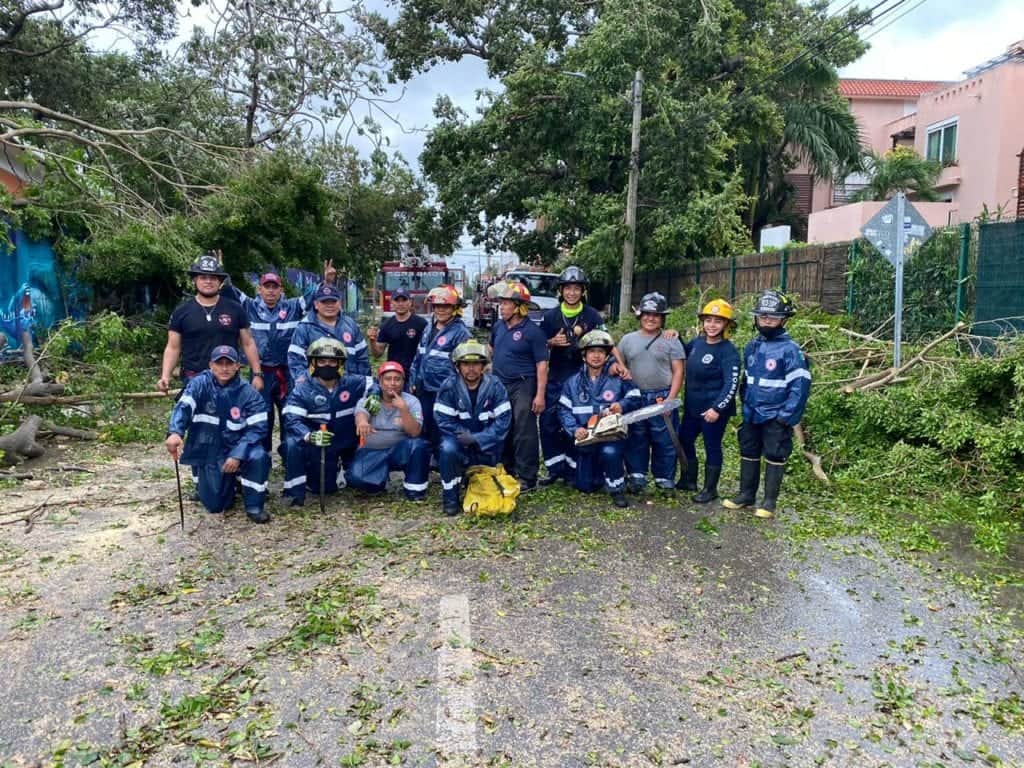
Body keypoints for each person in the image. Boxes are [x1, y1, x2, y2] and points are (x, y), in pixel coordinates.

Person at [223, 261, 337, 457]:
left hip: (287, 372)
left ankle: (289, 451)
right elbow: (231, 292)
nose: (270, 292)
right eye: (266, 287)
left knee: (290, 411)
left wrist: (325, 281)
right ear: (259, 289)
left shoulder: (292, 307)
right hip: (261, 372)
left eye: (274, 287)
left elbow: (311, 299)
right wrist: (222, 276)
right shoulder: (250, 307)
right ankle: (262, 453)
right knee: (261, 412)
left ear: (281, 290)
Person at [722, 290, 811, 519]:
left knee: (775, 453)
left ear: (783, 319)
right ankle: (746, 495)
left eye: (771, 317)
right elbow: (746, 381)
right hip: (752, 413)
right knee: (748, 450)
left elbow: (800, 387)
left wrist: (786, 417)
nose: (766, 321)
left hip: (776, 415)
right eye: (762, 317)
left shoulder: (791, 349)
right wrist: (745, 406)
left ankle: (769, 502)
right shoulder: (752, 346)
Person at [164, 345, 271, 524]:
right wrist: (175, 432)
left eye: (229, 364)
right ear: (210, 365)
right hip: (211, 449)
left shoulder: (249, 394)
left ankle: (254, 505)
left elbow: (258, 429)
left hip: (238, 448)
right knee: (216, 505)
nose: (224, 368)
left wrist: (237, 455)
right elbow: (183, 407)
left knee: (258, 456)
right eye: (219, 363)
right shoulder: (198, 384)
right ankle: (227, 484)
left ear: (238, 366)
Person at [540, 265, 619, 485]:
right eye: (568, 288)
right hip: (555, 379)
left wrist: (620, 366)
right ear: (561, 291)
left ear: (583, 291)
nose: (572, 293)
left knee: (577, 424)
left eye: (576, 288)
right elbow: (538, 348)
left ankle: (574, 468)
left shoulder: (592, 315)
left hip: (581, 382)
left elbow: (608, 344)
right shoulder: (550, 317)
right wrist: (551, 342)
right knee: (549, 423)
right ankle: (554, 468)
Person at [281, 338, 373, 507]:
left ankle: (345, 469)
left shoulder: (352, 382)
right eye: (322, 361)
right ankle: (294, 492)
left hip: (347, 443)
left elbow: (375, 384)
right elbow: (291, 419)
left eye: (332, 361)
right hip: (319, 447)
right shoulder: (302, 389)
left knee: (364, 482)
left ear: (341, 364)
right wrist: (310, 436)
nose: (327, 365)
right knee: (292, 446)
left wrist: (373, 397)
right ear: (313, 363)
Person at [557, 330, 641, 508]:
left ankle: (616, 488)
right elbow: (564, 411)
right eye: (592, 351)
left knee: (610, 452)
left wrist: (622, 405)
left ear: (607, 355)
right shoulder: (572, 383)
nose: (596, 356)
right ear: (584, 355)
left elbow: (635, 396)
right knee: (585, 486)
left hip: (611, 436)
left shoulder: (619, 377)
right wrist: (575, 430)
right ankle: (589, 476)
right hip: (586, 437)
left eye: (601, 352)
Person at [158, 252, 263, 395]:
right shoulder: (181, 311)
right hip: (193, 379)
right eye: (203, 277)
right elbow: (173, 347)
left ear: (220, 282)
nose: (208, 281)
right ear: (195, 280)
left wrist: (257, 374)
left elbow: (248, 343)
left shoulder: (235, 309)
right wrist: (165, 376)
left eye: (213, 278)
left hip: (229, 379)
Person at [434, 341, 512, 516]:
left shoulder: (496, 386)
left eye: (476, 363)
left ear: (483, 366)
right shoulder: (448, 387)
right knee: (447, 450)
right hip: (459, 442)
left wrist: (479, 438)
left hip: (487, 446)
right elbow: (443, 420)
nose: (471, 369)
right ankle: (451, 498)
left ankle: (472, 481)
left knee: (488, 481)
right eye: (466, 364)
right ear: (458, 366)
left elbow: (503, 422)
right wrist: (463, 436)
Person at [617, 292, 686, 492]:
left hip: (661, 396)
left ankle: (664, 478)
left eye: (656, 315)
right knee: (636, 437)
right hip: (636, 397)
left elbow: (679, 370)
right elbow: (617, 363)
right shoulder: (627, 340)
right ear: (639, 315)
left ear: (662, 318)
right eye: (646, 314)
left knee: (664, 438)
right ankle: (636, 476)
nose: (651, 318)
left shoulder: (671, 340)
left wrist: (670, 400)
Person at [677, 299, 741, 503]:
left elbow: (731, 384)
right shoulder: (696, 343)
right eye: (708, 320)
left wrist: (717, 408)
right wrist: (674, 337)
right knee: (684, 440)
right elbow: (679, 355)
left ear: (726, 325)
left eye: (718, 321)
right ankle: (689, 479)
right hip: (692, 408)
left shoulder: (728, 351)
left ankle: (710, 489)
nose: (712, 325)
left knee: (712, 446)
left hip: (713, 411)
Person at [489, 280, 548, 491]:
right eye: (501, 303)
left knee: (524, 429)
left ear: (519, 307)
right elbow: (491, 350)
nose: (501, 307)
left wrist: (539, 395)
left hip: (524, 384)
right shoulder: (498, 327)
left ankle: (527, 476)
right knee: (502, 426)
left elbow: (542, 365)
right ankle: (507, 469)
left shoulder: (533, 332)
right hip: (500, 384)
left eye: (505, 303)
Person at [346, 361, 430, 501]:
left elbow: (415, 432)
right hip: (371, 452)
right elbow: (361, 412)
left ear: (403, 382)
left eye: (397, 379)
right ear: (380, 382)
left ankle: (414, 491)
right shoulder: (371, 399)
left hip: (398, 451)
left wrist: (403, 409)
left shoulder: (411, 401)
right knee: (355, 480)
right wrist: (362, 422)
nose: (392, 383)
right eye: (388, 379)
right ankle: (381, 480)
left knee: (419, 445)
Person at [408, 284, 472, 458]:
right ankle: (428, 460)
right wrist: (413, 381)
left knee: (443, 428)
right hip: (424, 388)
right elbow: (419, 356)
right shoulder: (429, 328)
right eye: (437, 306)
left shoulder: (461, 333)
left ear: (455, 308)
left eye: (445, 306)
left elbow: (466, 368)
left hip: (445, 391)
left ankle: (445, 461)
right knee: (425, 424)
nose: (440, 310)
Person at [288, 283, 370, 386]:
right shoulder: (304, 327)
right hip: (316, 389)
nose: (329, 305)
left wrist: (362, 384)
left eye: (333, 301)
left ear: (339, 303)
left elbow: (362, 358)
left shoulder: (351, 325)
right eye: (324, 302)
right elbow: (296, 361)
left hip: (349, 388)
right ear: (316, 304)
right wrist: (306, 384)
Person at [367, 287, 428, 379]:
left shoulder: (421, 324)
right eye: (397, 300)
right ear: (392, 302)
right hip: (395, 376)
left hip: (416, 374)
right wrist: (372, 340)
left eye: (404, 300)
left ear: (410, 302)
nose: (400, 304)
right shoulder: (386, 325)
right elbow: (377, 354)